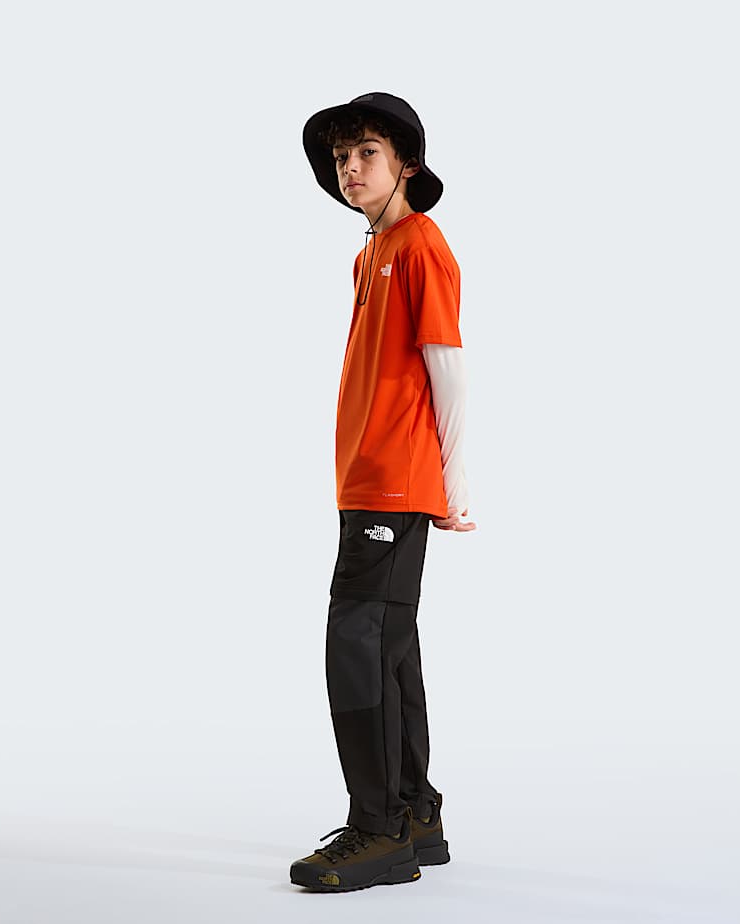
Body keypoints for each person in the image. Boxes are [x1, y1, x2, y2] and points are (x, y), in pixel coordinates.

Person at [290, 91, 475, 893]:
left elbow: (447, 367)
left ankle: (377, 830)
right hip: (365, 480)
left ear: (406, 163)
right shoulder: (372, 254)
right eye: (341, 158)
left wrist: (453, 486)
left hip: (397, 483)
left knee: (357, 646)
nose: (350, 169)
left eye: (367, 152)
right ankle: (414, 813)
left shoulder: (421, 244)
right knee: (389, 649)